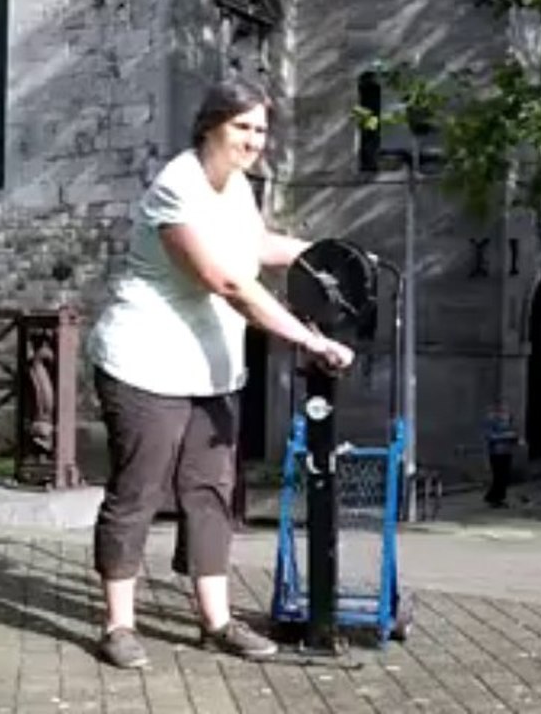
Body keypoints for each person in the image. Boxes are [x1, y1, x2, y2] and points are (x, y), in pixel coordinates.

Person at [86, 77, 355, 667]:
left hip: (211, 371)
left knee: (210, 494)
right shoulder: (175, 188)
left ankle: (217, 622)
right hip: (143, 363)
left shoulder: (236, 187)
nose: (254, 140)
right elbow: (228, 281)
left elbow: (256, 246)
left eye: (261, 130)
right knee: (138, 492)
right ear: (210, 125)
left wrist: (334, 254)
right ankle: (119, 626)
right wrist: (308, 338)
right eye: (243, 127)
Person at [483, 402, 518, 508]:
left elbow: (514, 434)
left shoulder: (508, 422)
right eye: (503, 410)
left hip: (507, 451)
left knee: (504, 476)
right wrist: (506, 436)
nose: (505, 413)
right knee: (498, 476)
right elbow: (490, 436)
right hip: (496, 452)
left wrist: (515, 438)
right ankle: (494, 498)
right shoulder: (492, 420)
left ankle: (498, 497)